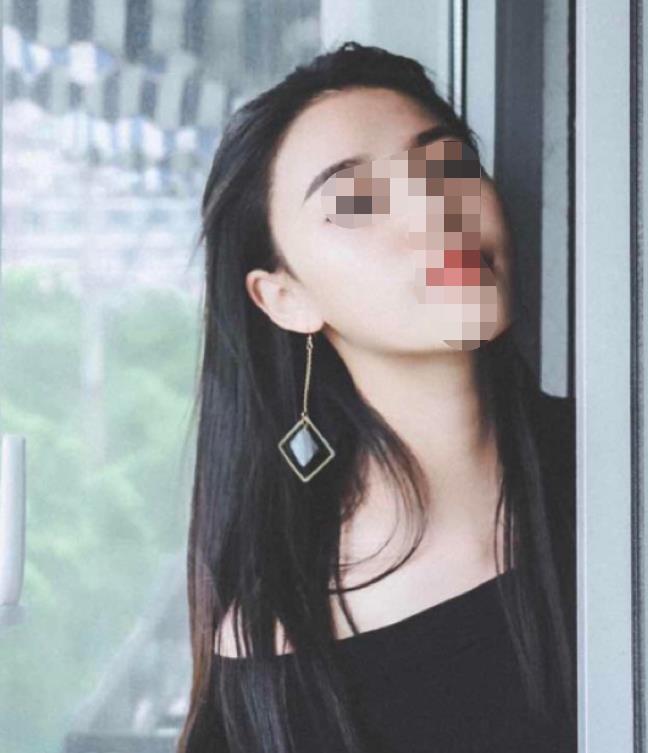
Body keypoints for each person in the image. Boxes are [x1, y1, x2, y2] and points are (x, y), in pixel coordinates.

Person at [177, 41, 577, 753]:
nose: (433, 208)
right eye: (356, 202)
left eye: (449, 165)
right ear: (285, 298)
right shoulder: (279, 648)